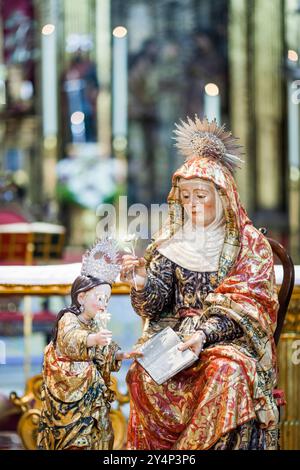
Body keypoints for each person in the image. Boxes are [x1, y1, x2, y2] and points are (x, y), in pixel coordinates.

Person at [121, 116, 279, 450]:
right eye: (186, 197)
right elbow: (155, 305)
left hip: (228, 343)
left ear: (222, 197)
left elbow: (251, 304)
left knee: (226, 372)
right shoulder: (172, 241)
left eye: (201, 196)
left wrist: (204, 334)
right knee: (142, 376)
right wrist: (141, 282)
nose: (192, 205)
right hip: (176, 342)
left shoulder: (248, 244)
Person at [37, 237, 140, 450]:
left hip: (91, 395)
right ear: (81, 297)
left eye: (107, 300)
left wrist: (119, 355)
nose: (103, 304)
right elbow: (70, 341)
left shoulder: (93, 323)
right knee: (73, 439)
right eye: (99, 298)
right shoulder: (68, 318)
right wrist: (92, 339)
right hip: (68, 393)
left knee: (98, 433)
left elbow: (103, 349)